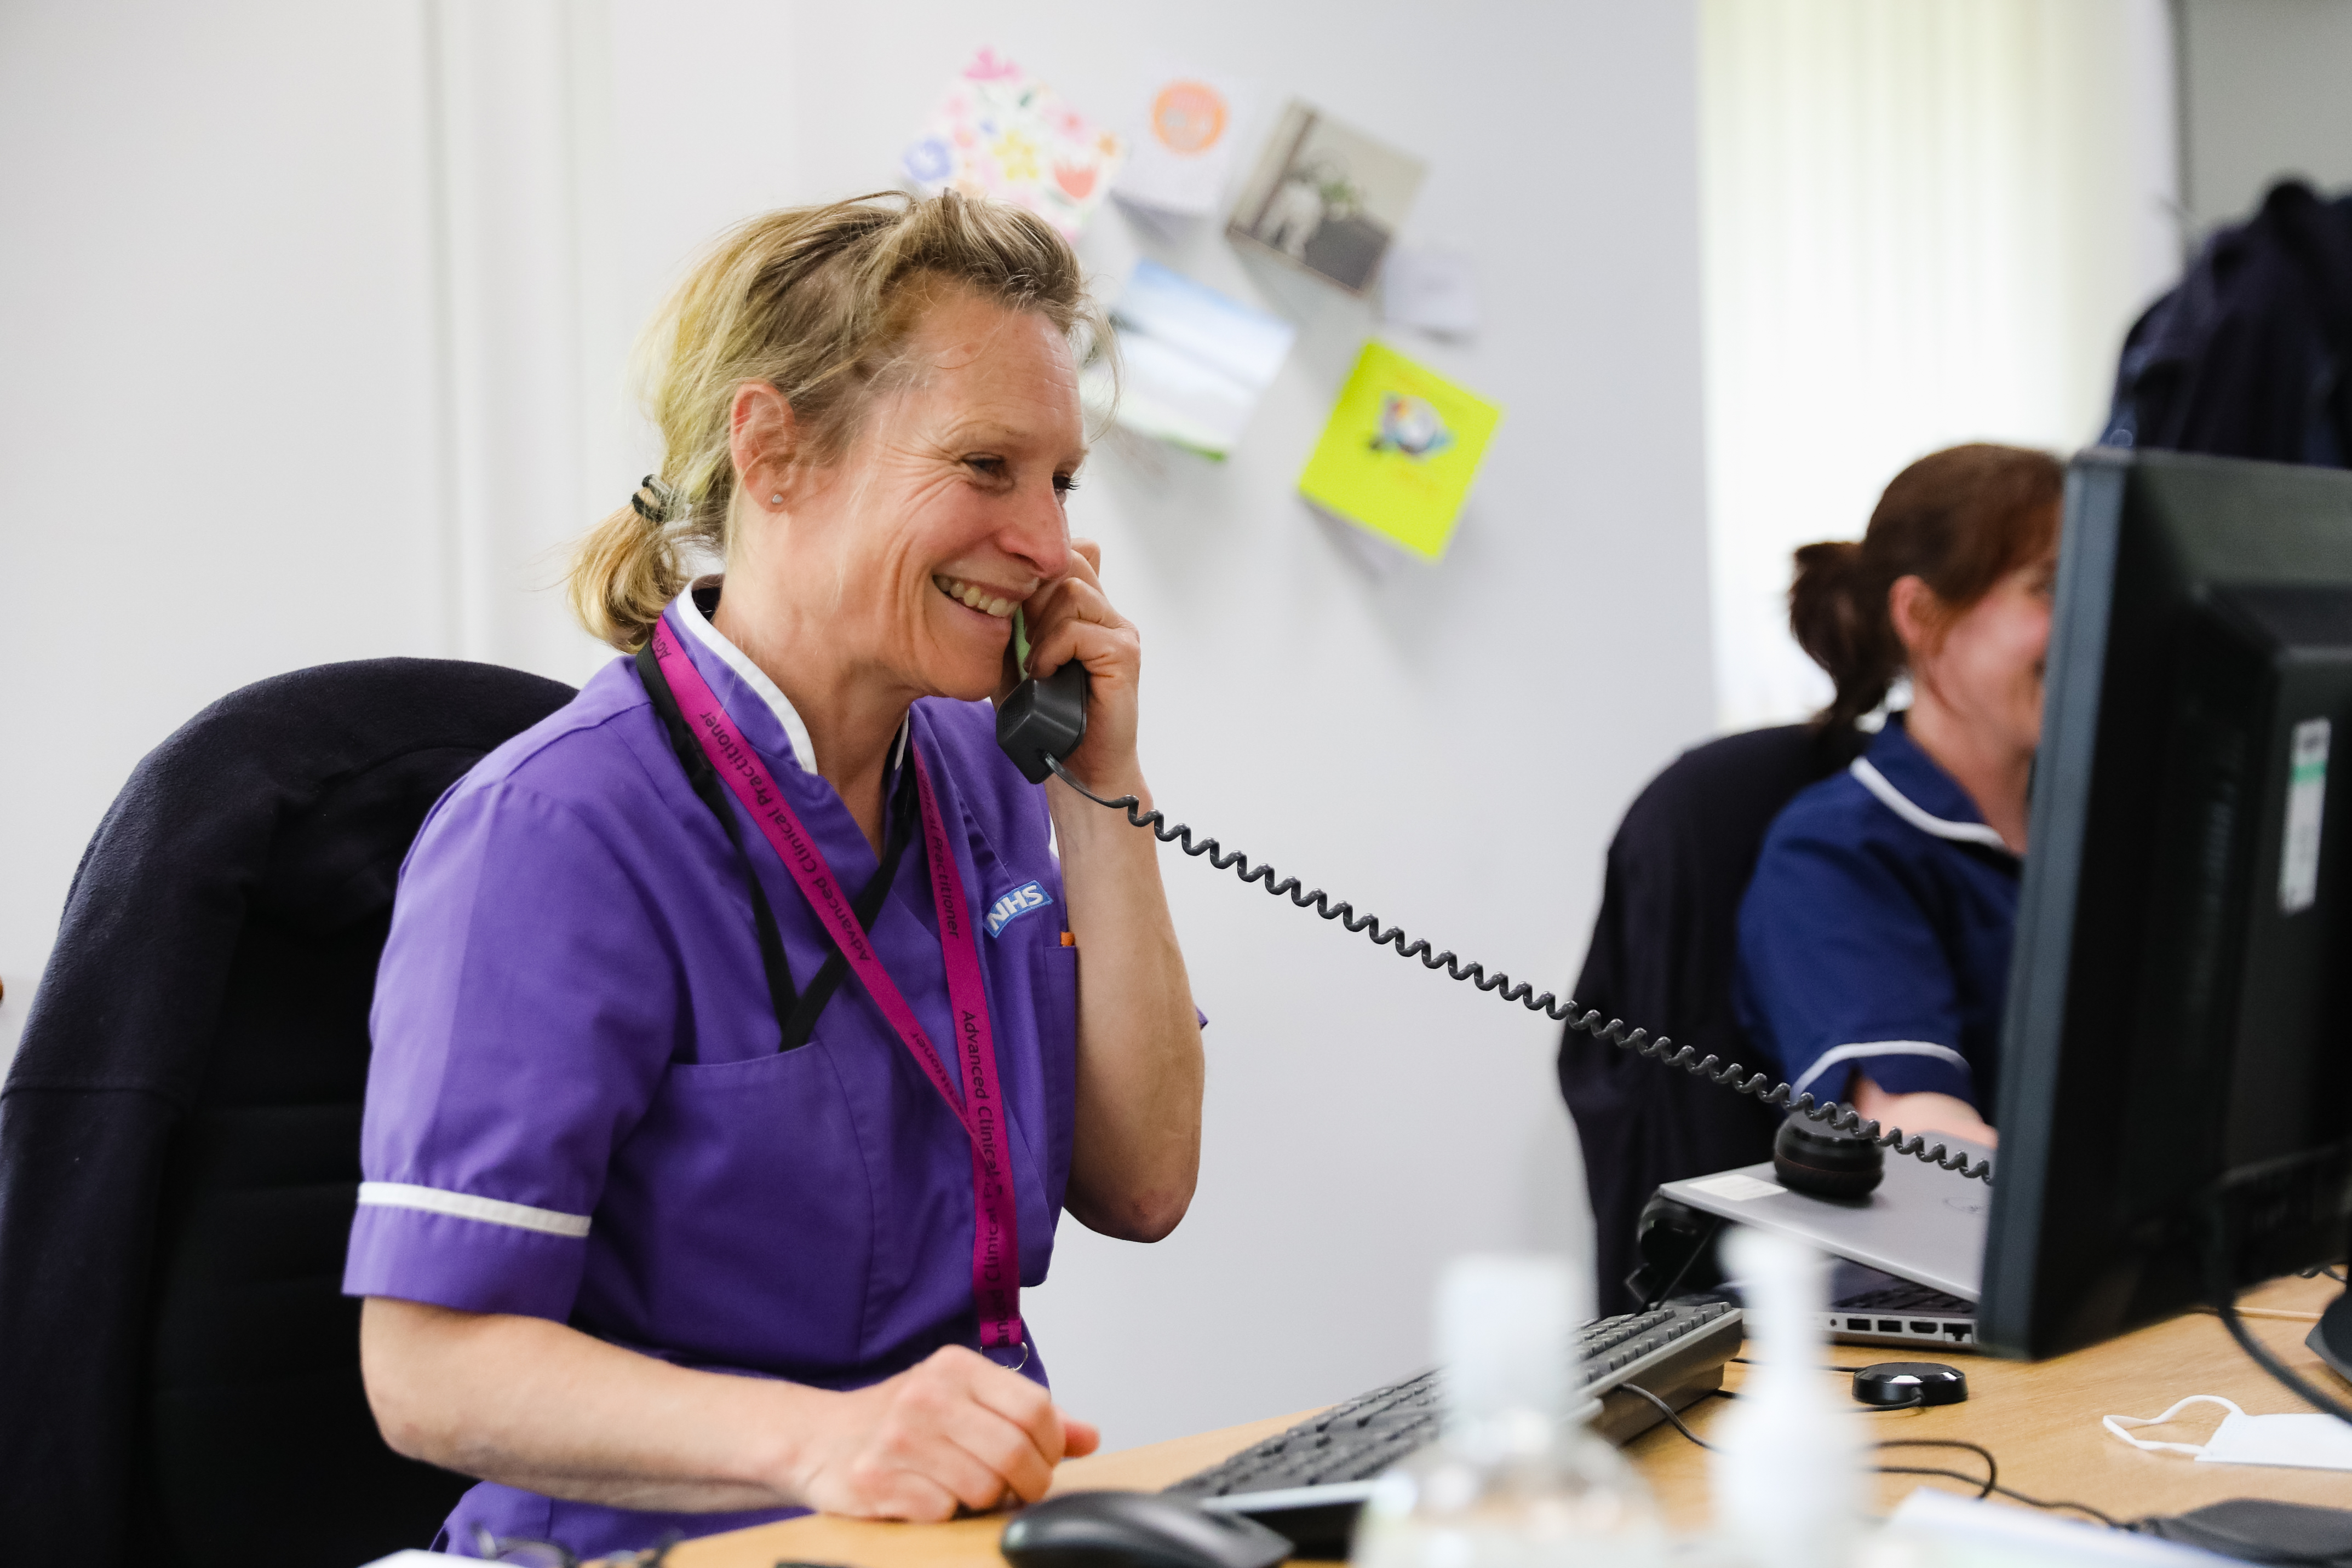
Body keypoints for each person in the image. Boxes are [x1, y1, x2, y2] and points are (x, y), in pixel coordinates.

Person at [343, 192, 1206, 1555]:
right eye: (986, 465)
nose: (1046, 543)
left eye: (1060, 480)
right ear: (775, 448)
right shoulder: (556, 830)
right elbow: (426, 1368)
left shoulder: (981, 768)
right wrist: (825, 1440)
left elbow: (1145, 1184)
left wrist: (1101, 790)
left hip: (939, 1530)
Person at [1734, 443, 2064, 1150]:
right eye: (2050, 588)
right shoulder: (1833, 856)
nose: (2094, 625)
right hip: (1968, 1258)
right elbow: (1921, 1141)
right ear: (1921, 616)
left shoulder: (2101, 825)